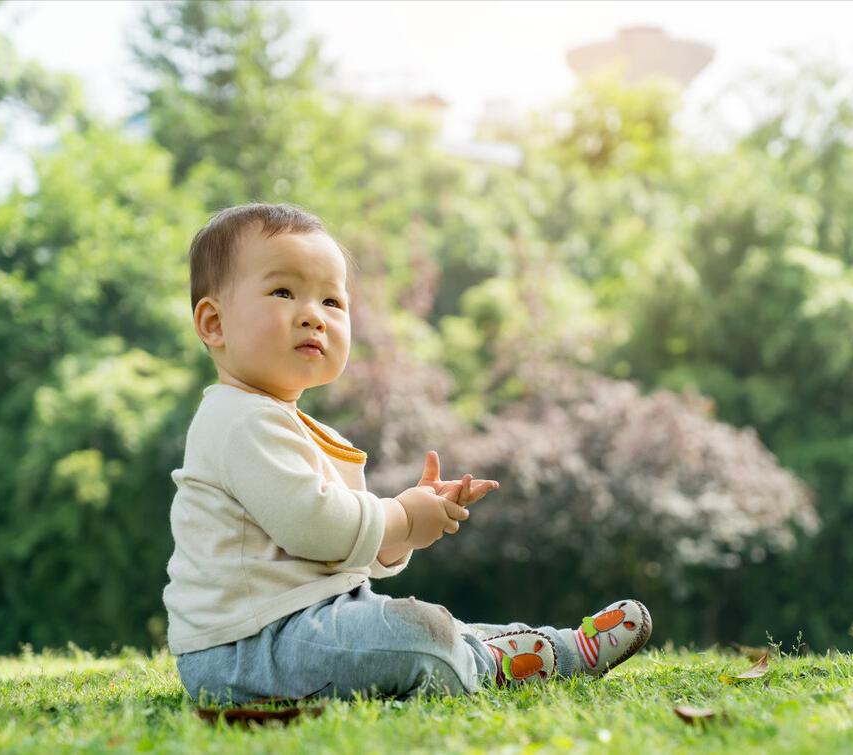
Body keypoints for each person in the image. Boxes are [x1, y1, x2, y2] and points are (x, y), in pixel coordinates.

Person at [163, 203, 652, 702]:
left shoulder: (281, 422)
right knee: (417, 635)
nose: (313, 315)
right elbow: (312, 525)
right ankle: (512, 660)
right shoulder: (239, 419)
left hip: (300, 626)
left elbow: (335, 549)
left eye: (332, 301)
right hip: (246, 648)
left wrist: (403, 532)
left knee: (428, 626)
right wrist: (399, 515)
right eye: (283, 292)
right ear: (214, 323)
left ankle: (546, 647)